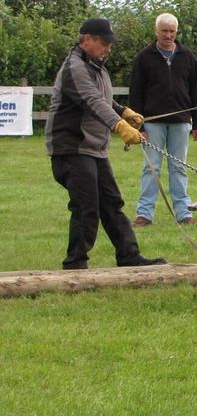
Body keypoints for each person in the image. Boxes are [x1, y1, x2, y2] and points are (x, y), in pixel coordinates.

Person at [45, 18, 166, 270]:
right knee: (86, 207)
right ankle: (75, 265)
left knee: (112, 204)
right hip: (72, 148)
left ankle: (129, 256)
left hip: (93, 149)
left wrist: (123, 112)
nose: (108, 48)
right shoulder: (75, 67)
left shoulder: (95, 66)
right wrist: (120, 126)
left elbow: (103, 99)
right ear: (87, 39)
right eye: (104, 43)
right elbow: (91, 100)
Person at [128, 13, 197, 226]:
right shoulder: (144, 58)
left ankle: (183, 212)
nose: (168, 35)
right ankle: (144, 214)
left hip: (181, 122)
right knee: (151, 167)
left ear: (176, 32)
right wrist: (138, 125)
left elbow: (196, 91)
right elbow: (136, 93)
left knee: (178, 167)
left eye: (172, 31)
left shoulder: (188, 57)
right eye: (164, 31)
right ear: (156, 31)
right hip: (152, 122)